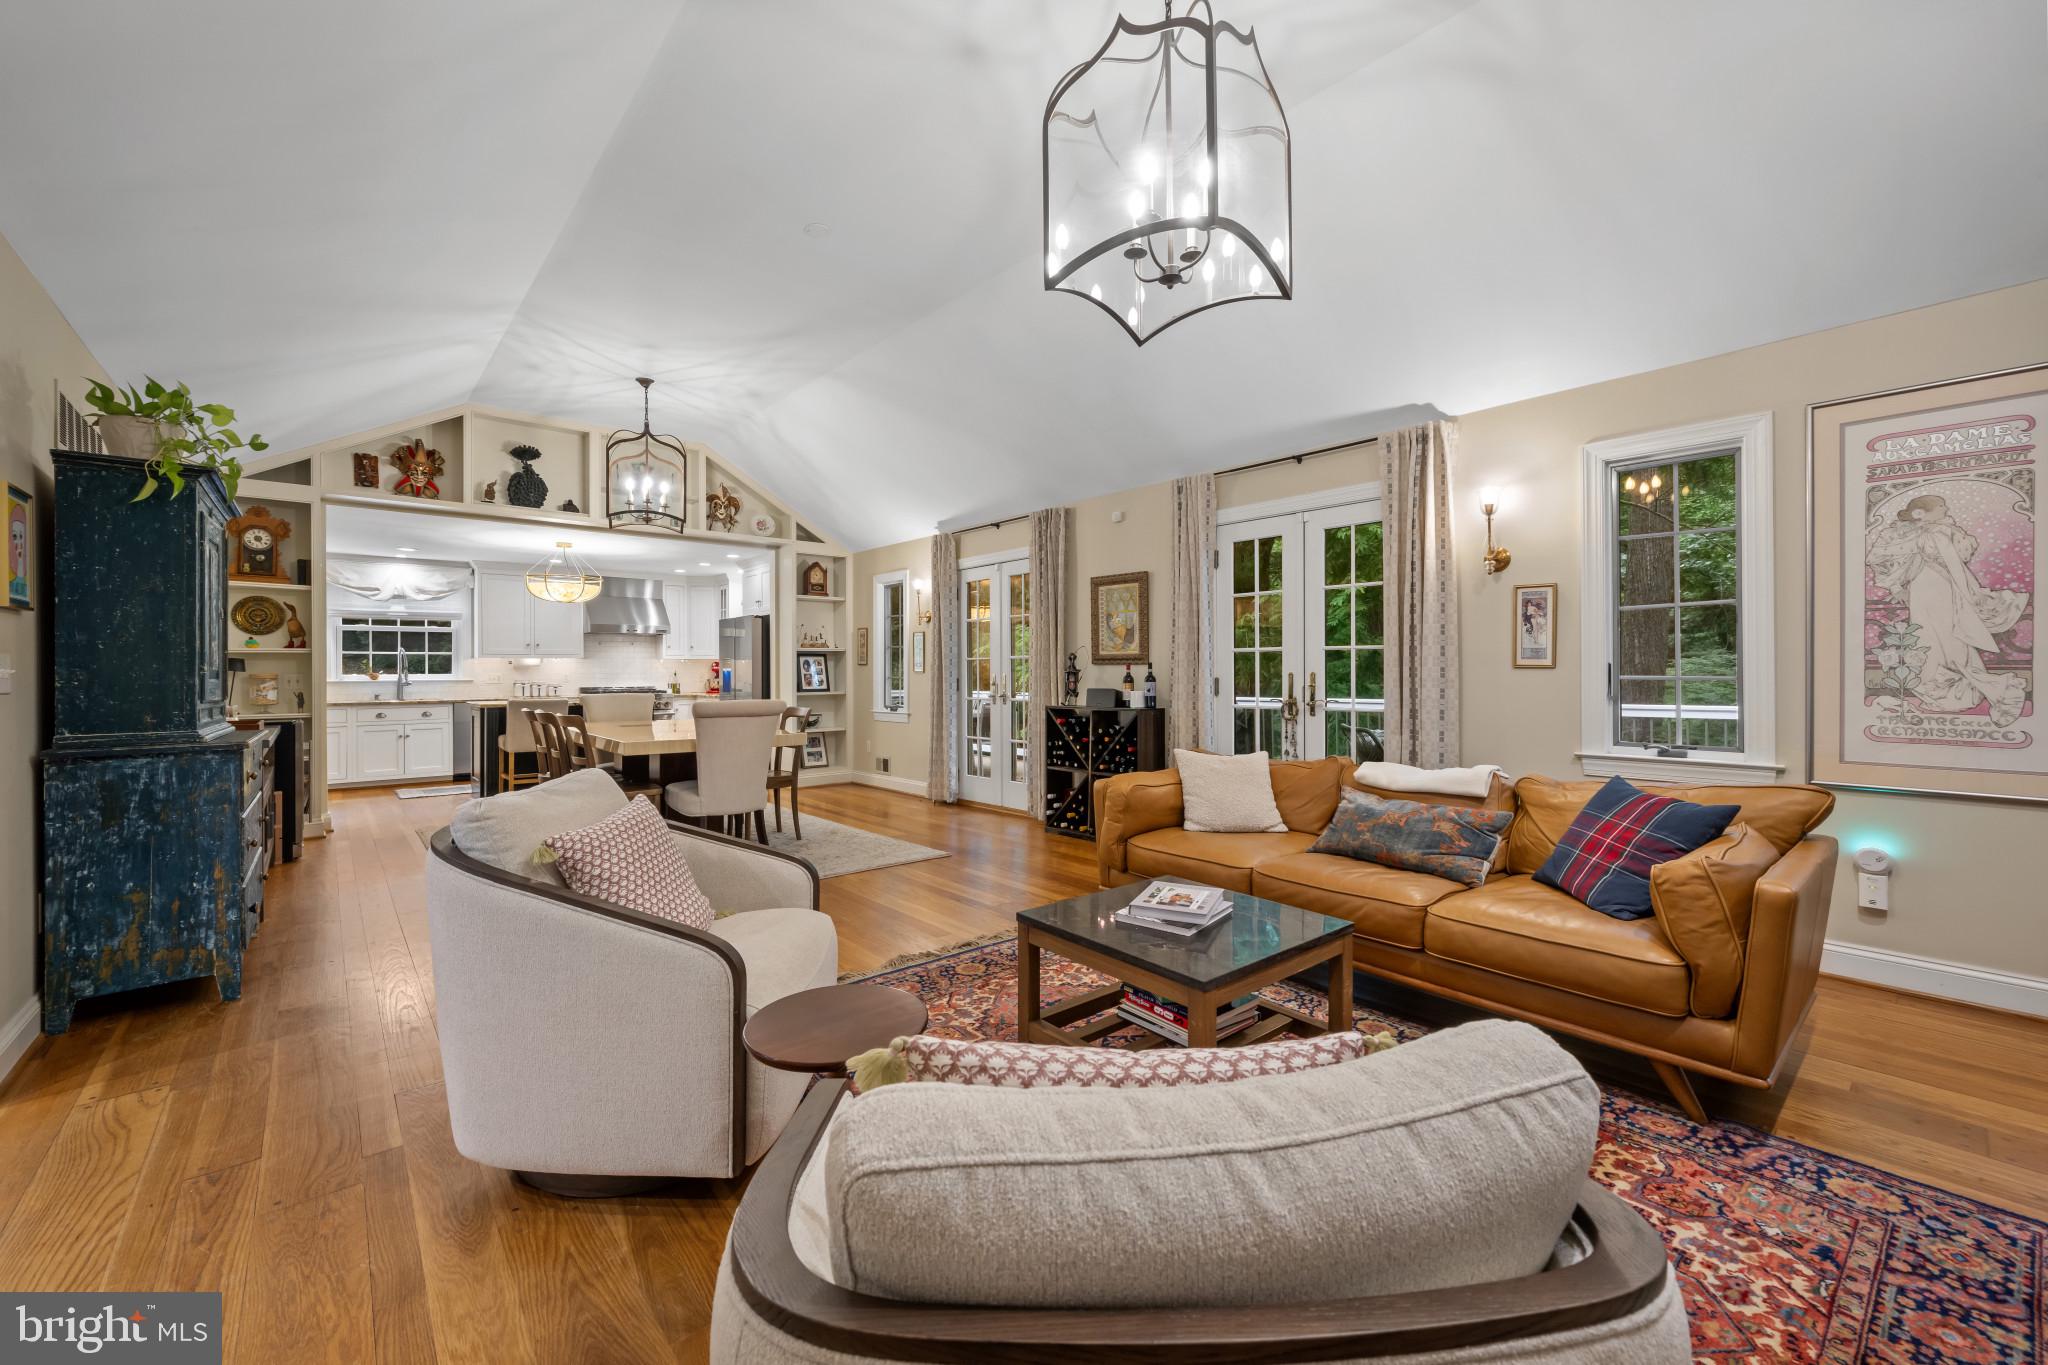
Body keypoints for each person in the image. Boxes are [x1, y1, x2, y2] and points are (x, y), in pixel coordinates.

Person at [1865, 493, 2028, 725]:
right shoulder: (1910, 533)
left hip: (1942, 590)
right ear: (1921, 512)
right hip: (1924, 591)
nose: (1945, 508)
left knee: (1952, 642)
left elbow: (1957, 562)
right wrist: (1895, 587)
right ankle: (1952, 695)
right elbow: (1881, 559)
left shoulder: (1943, 531)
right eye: (1940, 506)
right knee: (1930, 641)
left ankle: (1989, 691)